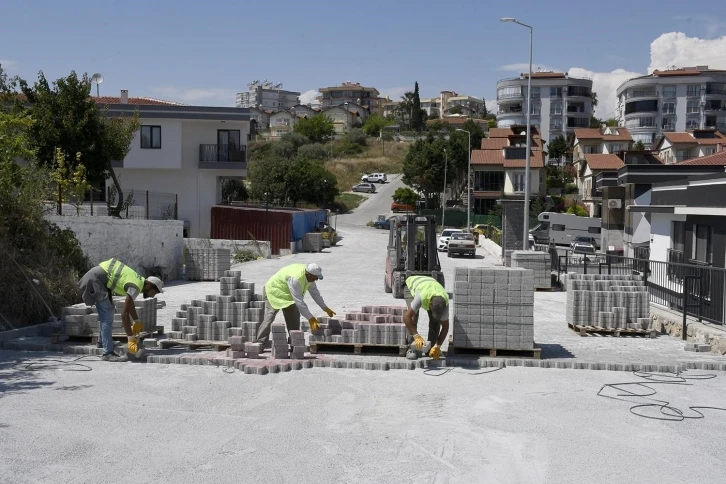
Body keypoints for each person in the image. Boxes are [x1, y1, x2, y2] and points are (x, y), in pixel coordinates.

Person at [78, 258, 163, 361]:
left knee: (107, 312)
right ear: (148, 286)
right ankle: (107, 353)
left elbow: (130, 304)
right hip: (95, 280)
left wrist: (136, 320)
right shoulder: (135, 286)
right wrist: (131, 338)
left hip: (101, 280)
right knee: (107, 315)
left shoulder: (139, 282)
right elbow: (125, 314)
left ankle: (102, 342)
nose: (152, 296)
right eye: (154, 292)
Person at [256, 263, 335, 346]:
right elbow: (299, 302)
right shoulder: (296, 279)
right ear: (309, 275)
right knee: (270, 316)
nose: (316, 280)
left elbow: (315, 294)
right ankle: (260, 341)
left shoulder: (310, 278)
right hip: (274, 291)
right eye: (315, 277)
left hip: (288, 295)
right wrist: (310, 318)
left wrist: (325, 308)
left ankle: (294, 341)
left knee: (294, 317)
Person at [402, 275, 450, 360]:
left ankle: (431, 348)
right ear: (430, 304)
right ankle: (411, 348)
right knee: (413, 317)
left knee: (435, 320)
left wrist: (438, 346)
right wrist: (416, 336)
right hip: (412, 285)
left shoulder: (444, 301)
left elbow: (445, 327)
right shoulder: (421, 297)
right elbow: (406, 317)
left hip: (430, 284)